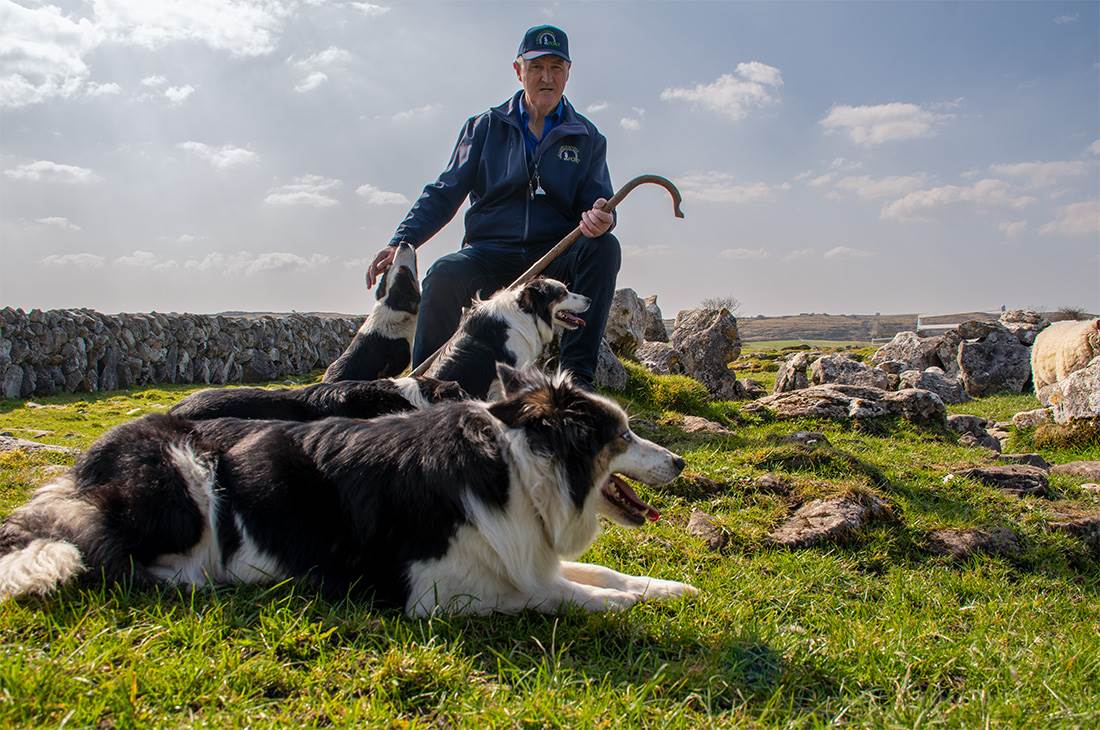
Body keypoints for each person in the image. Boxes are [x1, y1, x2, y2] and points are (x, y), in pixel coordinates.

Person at [364, 24, 618, 390]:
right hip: (488, 252)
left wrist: (602, 219)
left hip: (552, 259)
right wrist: (401, 241)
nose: (546, 77)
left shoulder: (588, 137)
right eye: (536, 67)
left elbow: (599, 202)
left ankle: (576, 381)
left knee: (604, 246)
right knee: (443, 274)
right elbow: (444, 191)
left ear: (568, 72)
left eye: (555, 67)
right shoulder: (483, 127)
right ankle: (426, 389)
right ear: (519, 71)